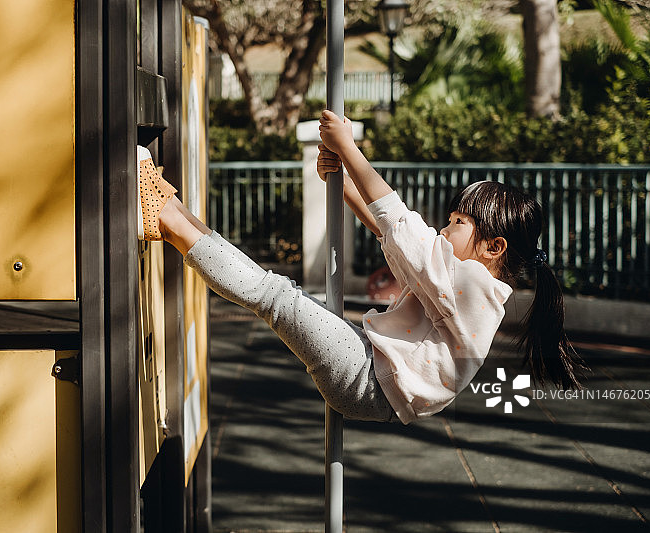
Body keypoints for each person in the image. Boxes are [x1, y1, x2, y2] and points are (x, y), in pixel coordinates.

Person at [141, 110, 586, 424]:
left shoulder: (475, 288)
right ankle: (170, 214)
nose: (446, 229)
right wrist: (344, 184)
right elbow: (390, 233)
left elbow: (401, 225)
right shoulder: (465, 282)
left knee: (276, 297)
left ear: (494, 247)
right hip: (372, 373)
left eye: (458, 222)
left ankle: (169, 219)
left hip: (368, 379)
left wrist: (350, 151)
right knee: (277, 295)